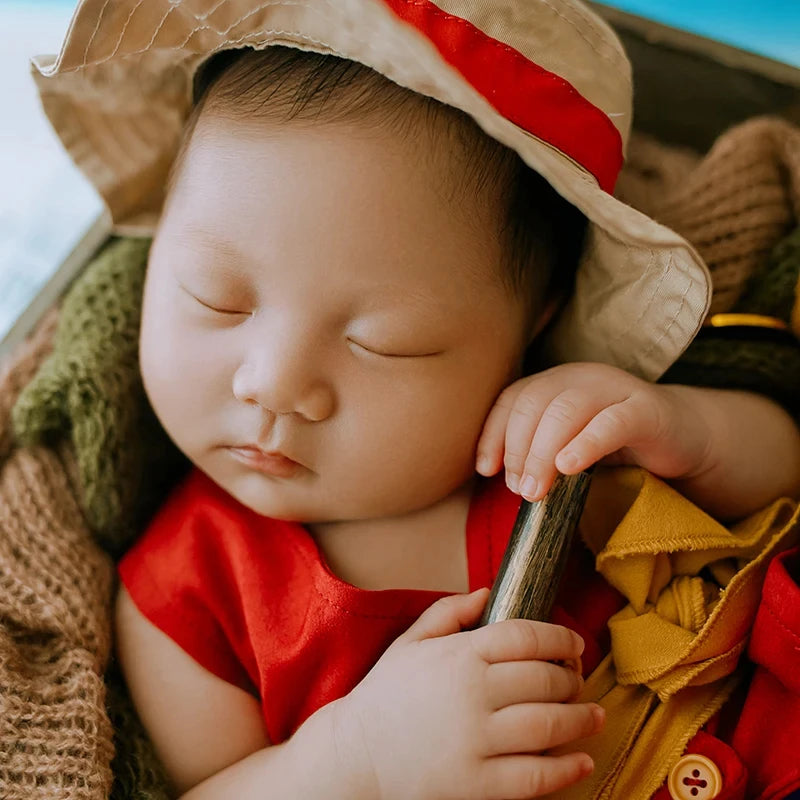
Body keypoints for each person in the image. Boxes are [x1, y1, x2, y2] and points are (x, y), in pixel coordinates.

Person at [30, 1, 798, 798]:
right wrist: (354, 762)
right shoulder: (184, 596)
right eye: (216, 299)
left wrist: (683, 428)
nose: (274, 383)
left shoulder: (545, 436)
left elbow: (781, 475)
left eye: (382, 342)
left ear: (531, 327)